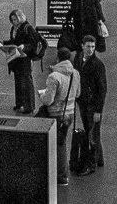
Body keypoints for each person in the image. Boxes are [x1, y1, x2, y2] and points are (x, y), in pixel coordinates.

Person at [38, 46, 81, 186]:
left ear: (58, 58)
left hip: (56, 114)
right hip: (69, 114)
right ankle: (60, 172)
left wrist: (42, 95)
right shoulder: (75, 73)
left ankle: (62, 176)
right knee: (61, 142)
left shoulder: (54, 76)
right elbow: (78, 94)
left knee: (58, 145)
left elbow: (48, 100)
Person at [71, 34, 106, 176]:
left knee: (93, 134)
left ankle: (91, 164)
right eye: (88, 46)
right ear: (82, 46)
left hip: (92, 104)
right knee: (91, 130)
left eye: (93, 47)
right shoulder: (78, 59)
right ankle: (99, 159)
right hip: (83, 101)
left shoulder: (98, 65)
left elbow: (102, 89)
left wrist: (99, 110)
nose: (91, 49)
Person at [4, 9, 40, 112]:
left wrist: (24, 46)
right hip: (16, 59)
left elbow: (33, 44)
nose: (14, 21)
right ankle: (19, 103)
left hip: (25, 59)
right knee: (18, 82)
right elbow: (13, 41)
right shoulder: (14, 28)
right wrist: (4, 43)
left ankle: (29, 106)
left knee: (26, 82)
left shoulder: (28, 28)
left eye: (15, 19)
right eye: (12, 20)